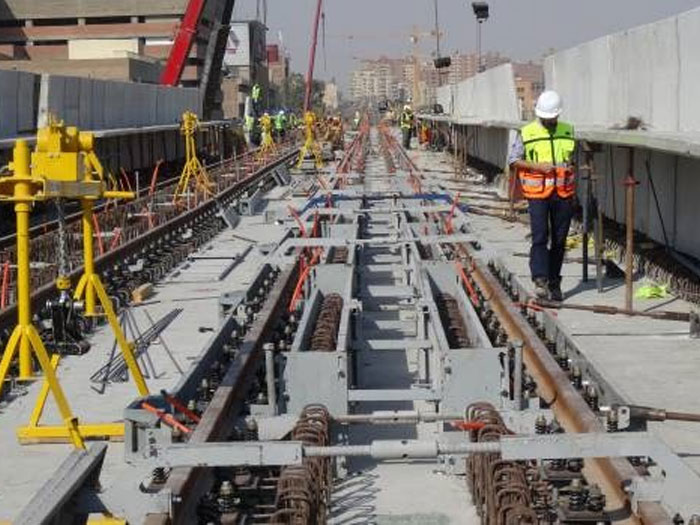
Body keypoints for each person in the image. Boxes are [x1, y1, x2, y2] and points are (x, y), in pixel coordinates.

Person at [508, 90, 576, 301]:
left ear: (557, 115)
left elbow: (572, 159)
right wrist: (538, 166)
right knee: (540, 236)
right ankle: (540, 279)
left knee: (559, 240)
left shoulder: (568, 130)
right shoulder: (527, 132)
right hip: (538, 193)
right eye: (544, 118)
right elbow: (513, 160)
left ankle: (554, 282)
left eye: (551, 118)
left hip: (563, 192)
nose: (548, 121)